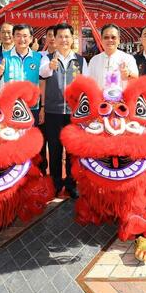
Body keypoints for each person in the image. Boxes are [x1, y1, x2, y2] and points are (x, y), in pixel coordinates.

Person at [39, 23, 86, 198]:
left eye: (67, 36)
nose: (63, 40)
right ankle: (56, 183)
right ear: (54, 39)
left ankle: (71, 184)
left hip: (74, 113)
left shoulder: (80, 60)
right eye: (60, 36)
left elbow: (86, 86)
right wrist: (50, 66)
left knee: (73, 150)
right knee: (55, 149)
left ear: (72, 39)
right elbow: (43, 73)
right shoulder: (47, 58)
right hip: (53, 112)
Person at [2, 24, 42, 115]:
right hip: (10, 106)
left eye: (25, 36)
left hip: (32, 106)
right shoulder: (3, 56)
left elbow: (43, 82)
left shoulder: (39, 57)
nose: (21, 39)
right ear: (13, 37)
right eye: (18, 35)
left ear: (31, 38)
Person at [86, 24, 138, 89]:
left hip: (122, 98)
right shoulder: (94, 60)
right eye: (106, 37)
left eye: (113, 37)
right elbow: (89, 82)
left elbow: (136, 79)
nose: (110, 40)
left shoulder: (128, 58)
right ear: (101, 40)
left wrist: (128, 74)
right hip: (99, 98)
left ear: (119, 40)